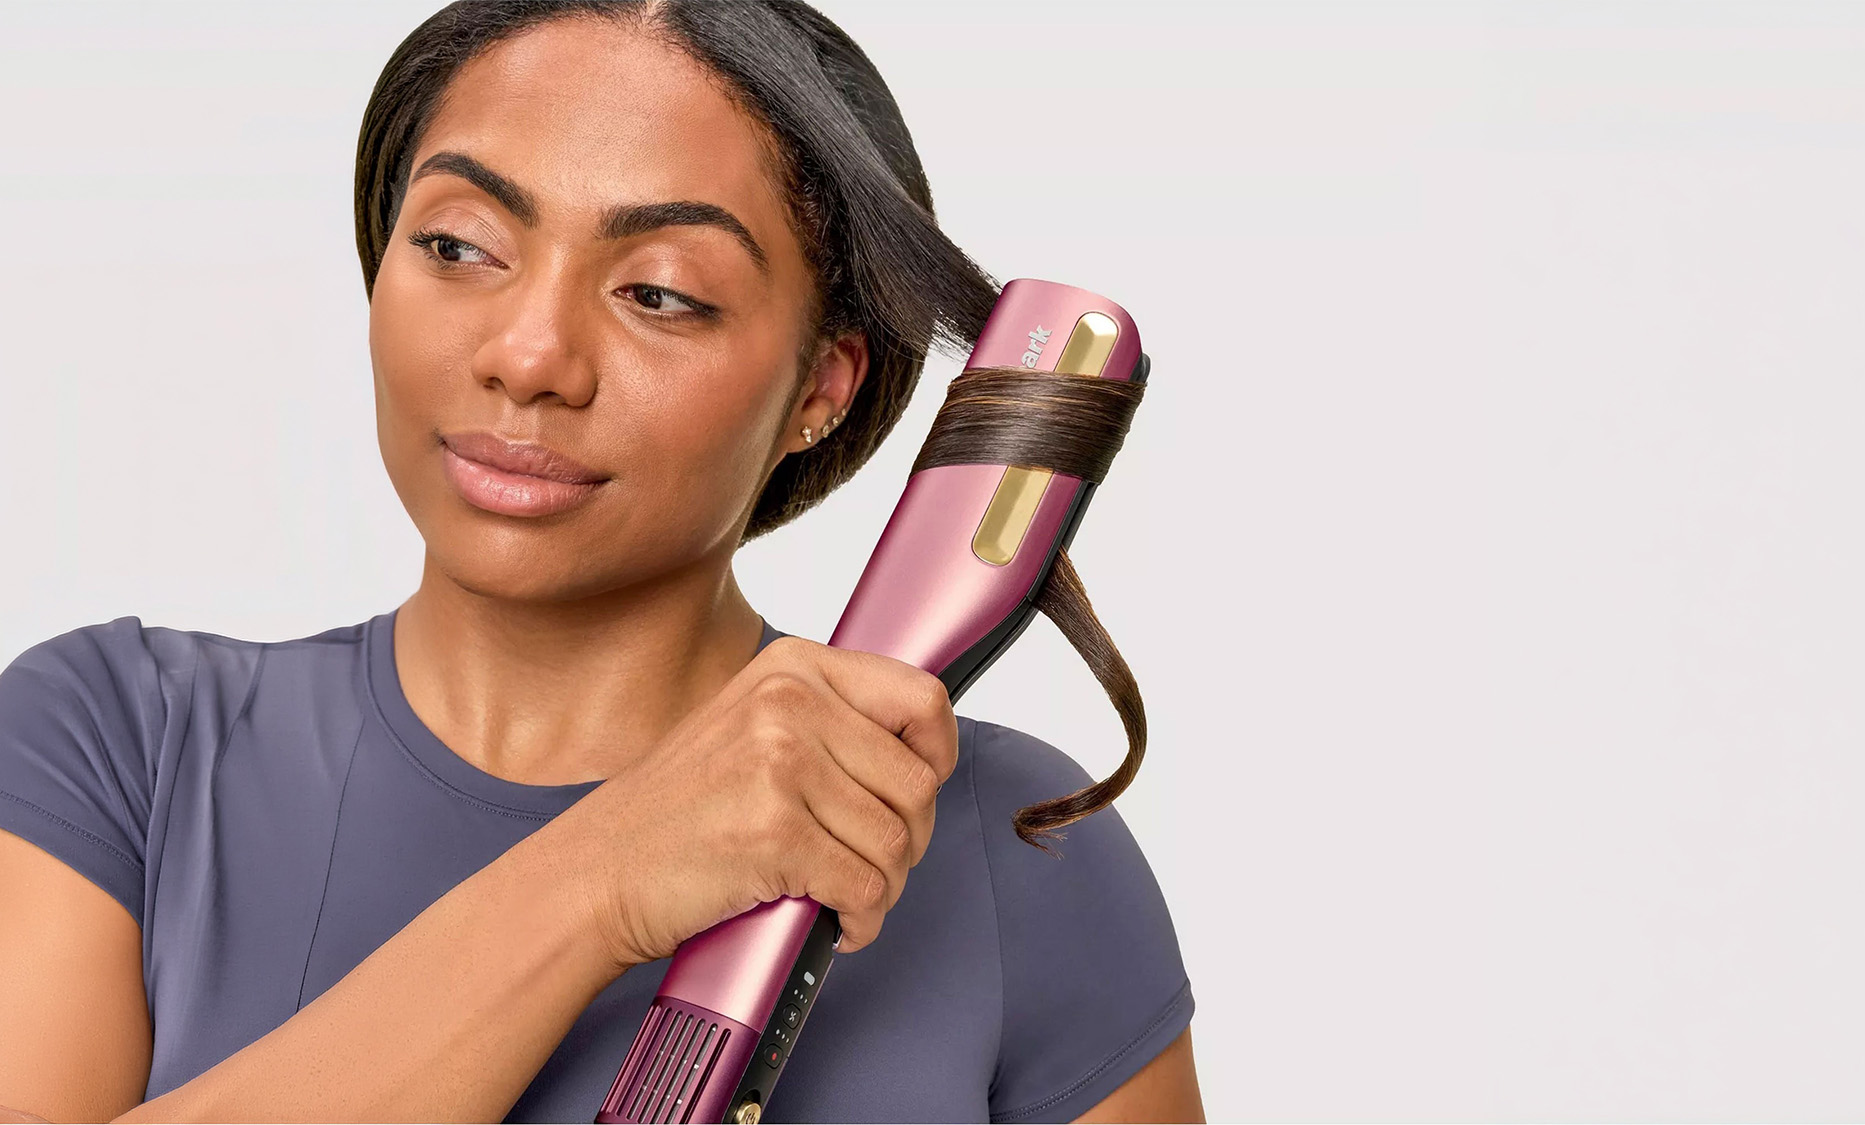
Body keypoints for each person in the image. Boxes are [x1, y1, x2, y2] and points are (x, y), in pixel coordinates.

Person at [0, 2, 1200, 1122]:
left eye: (659, 293)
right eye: (461, 246)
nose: (528, 357)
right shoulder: (118, 749)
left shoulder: (1010, 848)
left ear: (821, 392)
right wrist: (602, 876)